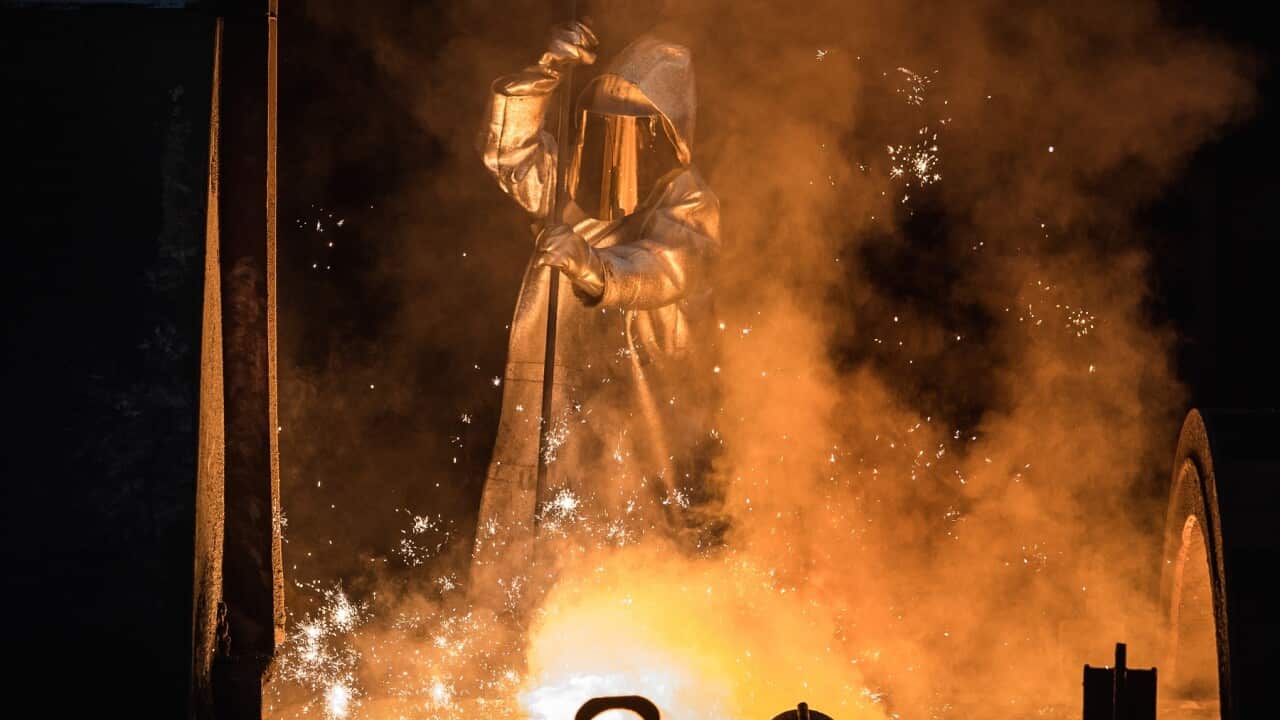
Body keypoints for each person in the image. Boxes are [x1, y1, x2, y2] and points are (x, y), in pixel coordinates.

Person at [470, 21, 721, 613]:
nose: (616, 129)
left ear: (666, 130)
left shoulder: (688, 200)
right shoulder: (567, 185)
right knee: (547, 513)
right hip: (559, 386)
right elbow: (508, 153)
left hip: (640, 392)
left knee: (635, 521)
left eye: (633, 114)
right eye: (606, 111)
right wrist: (546, 74)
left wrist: (591, 268)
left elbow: (668, 268)